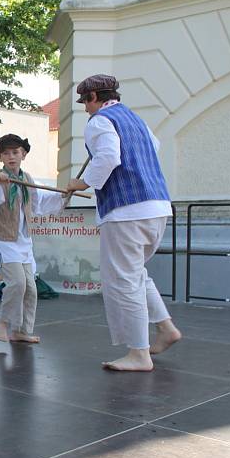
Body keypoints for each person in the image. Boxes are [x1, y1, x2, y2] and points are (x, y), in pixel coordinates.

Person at [66, 74, 182, 371]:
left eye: (85, 102)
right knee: (135, 274)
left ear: (94, 98)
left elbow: (108, 157)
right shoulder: (136, 119)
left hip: (126, 210)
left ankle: (139, 354)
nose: (85, 109)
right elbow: (150, 150)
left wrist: (83, 183)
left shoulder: (99, 122)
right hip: (157, 206)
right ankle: (166, 329)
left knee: (123, 281)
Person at [0, 133, 66, 344]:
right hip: (5, 241)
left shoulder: (27, 179)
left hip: (24, 241)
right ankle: (3, 323)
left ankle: (21, 331)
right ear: (0, 157)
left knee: (31, 289)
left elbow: (38, 203)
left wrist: (63, 195)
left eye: (15, 152)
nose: (11, 157)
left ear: (23, 154)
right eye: (6, 153)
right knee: (17, 284)